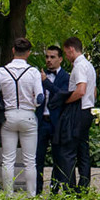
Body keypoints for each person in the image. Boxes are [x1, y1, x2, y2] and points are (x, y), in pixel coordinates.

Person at [0, 37, 44, 196]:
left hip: (9, 116)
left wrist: (2, 106)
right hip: (28, 116)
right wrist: (33, 103)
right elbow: (40, 97)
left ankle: (9, 195)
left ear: (13, 50)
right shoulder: (33, 72)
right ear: (28, 53)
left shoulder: (1, 71)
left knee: (8, 159)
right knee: (30, 161)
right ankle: (31, 195)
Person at [50, 37, 95, 193]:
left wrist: (66, 100)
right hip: (88, 109)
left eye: (66, 53)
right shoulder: (89, 66)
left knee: (68, 150)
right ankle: (83, 187)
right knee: (83, 151)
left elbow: (81, 90)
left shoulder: (79, 67)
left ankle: (69, 189)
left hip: (78, 110)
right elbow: (93, 91)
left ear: (71, 49)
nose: (66, 57)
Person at [36, 45, 70, 179]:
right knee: (38, 158)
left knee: (58, 158)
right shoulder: (39, 76)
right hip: (42, 121)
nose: (49, 60)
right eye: (47, 57)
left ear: (60, 59)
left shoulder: (65, 77)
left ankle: (54, 191)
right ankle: (37, 190)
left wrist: (46, 83)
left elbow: (62, 95)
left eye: (52, 57)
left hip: (57, 122)